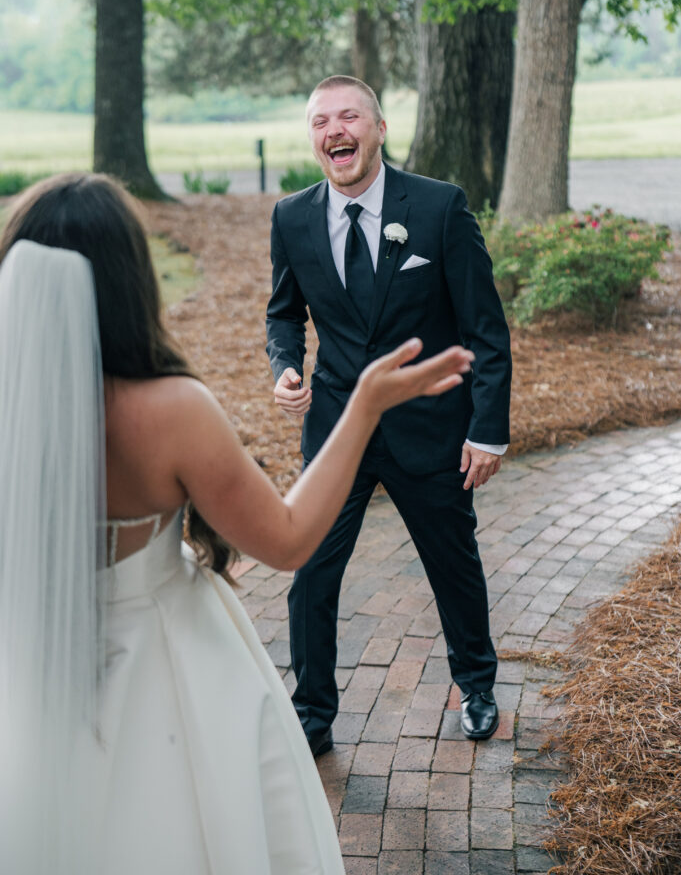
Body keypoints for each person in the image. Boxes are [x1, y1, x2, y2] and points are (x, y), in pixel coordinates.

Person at [0, 172, 473, 875]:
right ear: (131, 276)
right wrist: (363, 406)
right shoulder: (170, 410)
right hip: (170, 667)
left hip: (29, 668)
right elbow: (286, 541)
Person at [266, 75, 512, 756]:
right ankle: (311, 711)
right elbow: (283, 312)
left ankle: (477, 684)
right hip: (337, 432)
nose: (333, 130)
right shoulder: (291, 217)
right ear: (314, 138)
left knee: (451, 563)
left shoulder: (437, 208)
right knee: (310, 569)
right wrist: (284, 363)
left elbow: (484, 330)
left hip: (429, 431)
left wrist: (486, 427)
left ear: (376, 129)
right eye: (320, 121)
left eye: (348, 116)